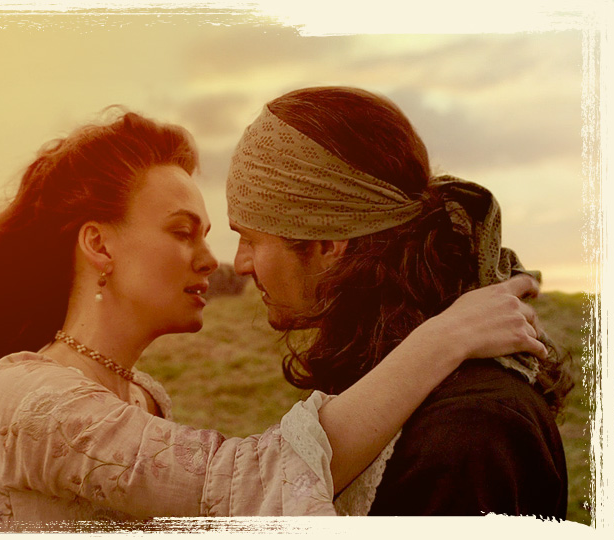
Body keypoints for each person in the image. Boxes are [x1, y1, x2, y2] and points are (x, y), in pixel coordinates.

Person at [0, 107, 548, 530]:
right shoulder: (30, 400)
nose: (213, 260)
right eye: (181, 231)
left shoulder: (139, 397)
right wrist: (443, 337)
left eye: (210, 234)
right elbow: (246, 486)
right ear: (99, 245)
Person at [225, 86, 572, 517]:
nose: (239, 264)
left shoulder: (468, 431)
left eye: (250, 239)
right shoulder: (389, 382)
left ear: (327, 244)